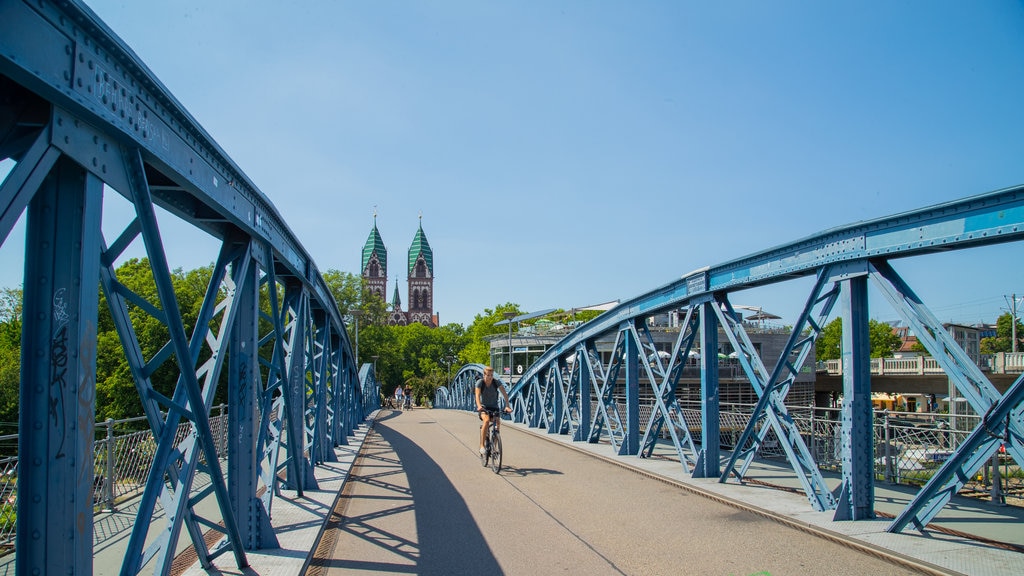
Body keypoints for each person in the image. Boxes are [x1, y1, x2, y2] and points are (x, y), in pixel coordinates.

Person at [475, 366, 511, 454]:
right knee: (486, 421)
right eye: (488, 375)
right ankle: (482, 446)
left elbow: (505, 394)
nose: (490, 377)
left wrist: (507, 406)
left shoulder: (496, 382)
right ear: (484, 375)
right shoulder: (480, 383)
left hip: (494, 407)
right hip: (484, 407)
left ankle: (494, 446)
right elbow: (477, 395)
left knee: (497, 422)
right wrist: (479, 406)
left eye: (491, 375)